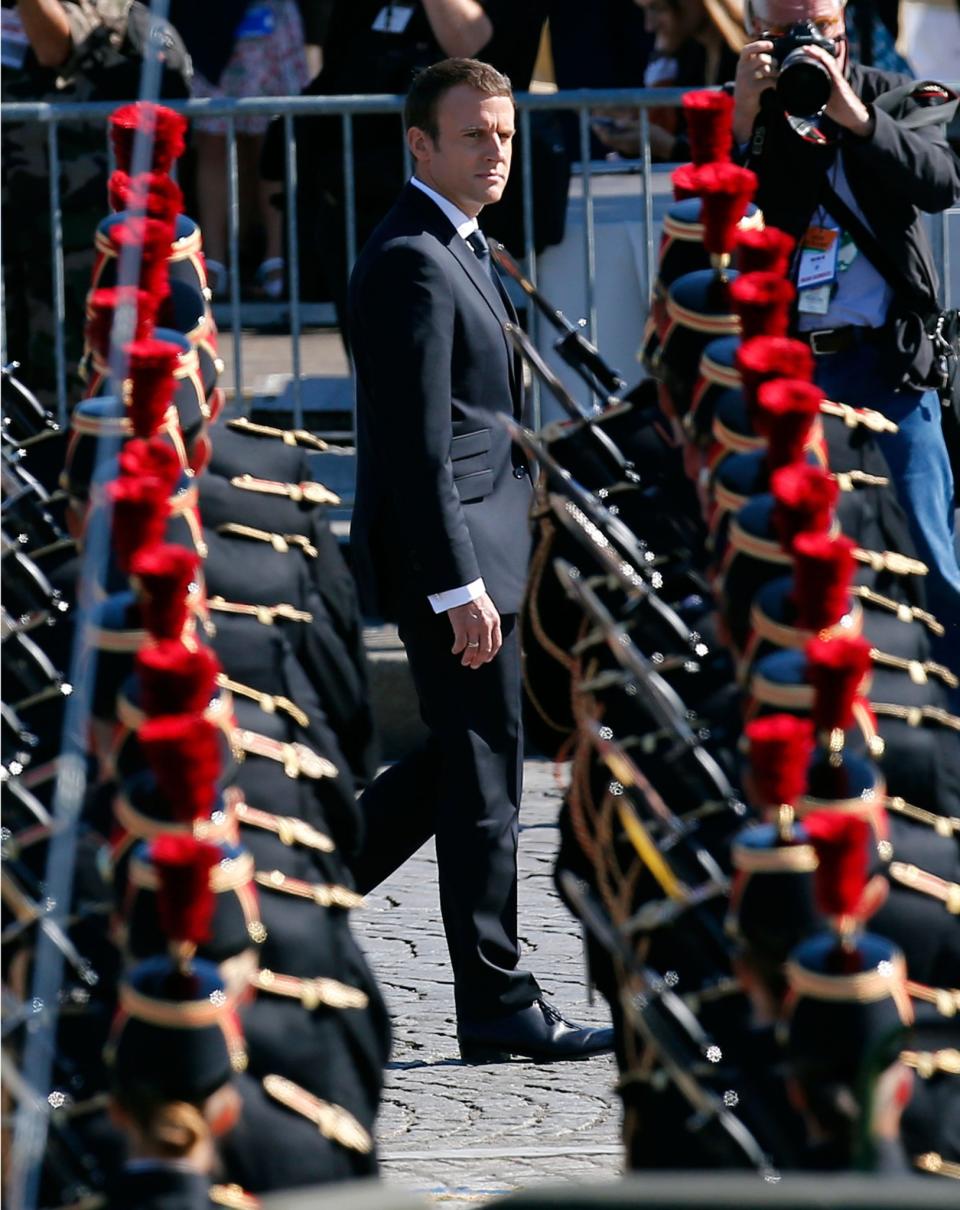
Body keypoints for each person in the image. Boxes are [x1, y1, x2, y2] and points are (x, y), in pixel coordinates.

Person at [347, 57, 614, 1064]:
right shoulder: (413, 257)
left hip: (488, 552)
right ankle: (500, 1005)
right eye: (475, 136)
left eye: (503, 134)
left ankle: (287, 894)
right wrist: (459, 586)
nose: (496, 152)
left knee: (461, 767)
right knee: (484, 783)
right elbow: (416, 448)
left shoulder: (458, 242)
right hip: (452, 564)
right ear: (420, 144)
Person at [731, 0, 960, 664]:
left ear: (847, 29)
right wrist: (746, 117)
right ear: (755, 35)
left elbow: (939, 181)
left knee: (929, 558)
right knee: (798, 558)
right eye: (787, 35)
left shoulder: (891, 93)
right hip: (792, 377)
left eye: (823, 34)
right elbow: (722, 217)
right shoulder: (748, 105)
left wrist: (851, 115)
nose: (810, 50)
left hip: (891, 366)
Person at [592, 0, 746, 161]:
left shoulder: (748, 59)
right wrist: (632, 135)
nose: (649, 26)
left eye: (658, 8)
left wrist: (668, 147)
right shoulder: (690, 55)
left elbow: (738, 152)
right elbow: (678, 135)